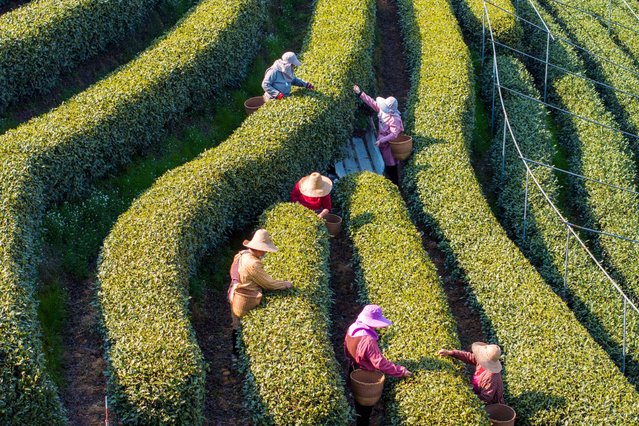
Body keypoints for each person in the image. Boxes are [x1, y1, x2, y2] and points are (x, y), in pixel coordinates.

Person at [228, 229, 293, 358]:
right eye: (264, 250)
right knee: (240, 326)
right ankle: (238, 355)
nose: (264, 252)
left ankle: (236, 354)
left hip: (234, 293)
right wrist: (286, 284)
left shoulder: (242, 254)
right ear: (257, 249)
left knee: (236, 323)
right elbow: (268, 284)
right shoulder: (253, 264)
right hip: (244, 299)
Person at [344, 305, 412, 425]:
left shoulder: (353, 328)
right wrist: (400, 371)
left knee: (358, 402)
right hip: (365, 376)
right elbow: (380, 362)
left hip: (353, 370)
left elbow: (346, 347)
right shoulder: (368, 340)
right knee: (364, 409)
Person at [353, 84, 404, 185]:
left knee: (391, 164)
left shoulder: (395, 119)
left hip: (389, 144)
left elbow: (394, 134)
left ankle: (395, 183)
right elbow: (372, 102)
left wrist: (382, 140)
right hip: (381, 139)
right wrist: (360, 93)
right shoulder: (382, 110)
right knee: (382, 159)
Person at [437, 342, 505, 405]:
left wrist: (469, 397)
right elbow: (468, 356)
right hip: (477, 390)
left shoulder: (492, 377)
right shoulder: (482, 361)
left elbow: (486, 397)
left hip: (491, 405)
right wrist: (451, 353)